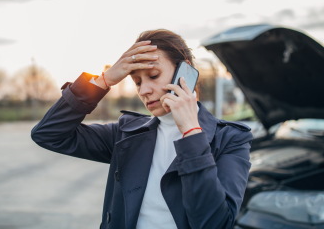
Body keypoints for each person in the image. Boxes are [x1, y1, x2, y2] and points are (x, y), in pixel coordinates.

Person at [31, 29, 253, 229]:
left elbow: (214, 224)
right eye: (137, 82)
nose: (144, 90)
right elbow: (48, 133)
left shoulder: (231, 139)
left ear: (184, 71)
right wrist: (104, 81)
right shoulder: (126, 133)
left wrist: (191, 133)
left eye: (153, 75)